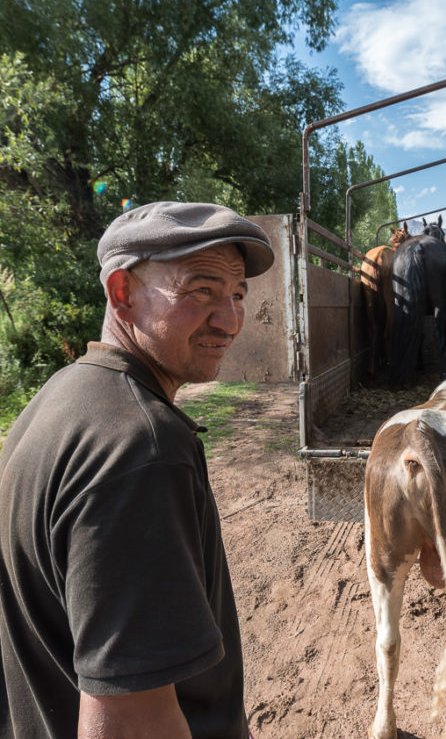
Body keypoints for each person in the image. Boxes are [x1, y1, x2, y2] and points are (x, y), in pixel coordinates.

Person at [0, 201, 274, 737]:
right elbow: (130, 724)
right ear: (123, 293)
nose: (230, 320)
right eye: (201, 290)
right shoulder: (141, 449)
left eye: (237, 294)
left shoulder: (61, 395)